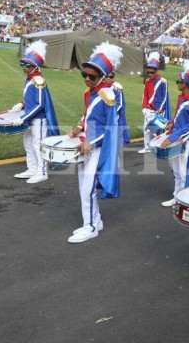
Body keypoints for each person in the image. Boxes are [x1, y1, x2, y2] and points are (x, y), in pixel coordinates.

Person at [67, 42, 123, 243]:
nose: (87, 79)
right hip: (87, 144)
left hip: (97, 148)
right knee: (84, 185)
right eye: (85, 75)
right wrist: (80, 127)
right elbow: (89, 117)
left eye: (92, 76)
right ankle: (94, 221)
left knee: (88, 188)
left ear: (102, 76)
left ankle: (90, 227)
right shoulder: (91, 94)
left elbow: (109, 126)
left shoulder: (108, 95)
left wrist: (92, 142)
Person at [12, 40, 59, 183]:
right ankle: (32, 169)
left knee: (37, 145)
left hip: (38, 119)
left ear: (35, 67)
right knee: (28, 142)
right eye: (23, 64)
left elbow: (40, 104)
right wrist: (21, 104)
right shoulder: (30, 79)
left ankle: (42, 172)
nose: (24, 67)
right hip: (30, 118)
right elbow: (31, 99)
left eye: (28, 65)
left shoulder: (38, 80)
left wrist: (23, 117)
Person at [160, 58, 189, 207]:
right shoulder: (184, 98)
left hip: (184, 141)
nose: (177, 83)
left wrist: (172, 138)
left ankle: (183, 200)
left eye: (178, 81)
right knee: (176, 171)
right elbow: (181, 120)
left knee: (183, 172)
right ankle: (176, 197)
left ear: (184, 84)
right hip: (177, 138)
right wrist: (171, 124)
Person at [139, 52, 170, 154]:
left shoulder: (162, 81)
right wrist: (144, 107)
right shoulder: (147, 81)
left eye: (152, 72)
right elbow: (145, 95)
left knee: (157, 131)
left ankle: (157, 147)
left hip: (158, 110)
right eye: (149, 72)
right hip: (148, 109)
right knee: (146, 129)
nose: (150, 74)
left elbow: (164, 96)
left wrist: (160, 108)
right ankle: (147, 147)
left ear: (156, 71)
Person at [104, 71, 130, 146]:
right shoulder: (102, 86)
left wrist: (112, 112)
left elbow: (120, 103)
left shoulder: (117, 87)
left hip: (116, 111)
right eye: (106, 76)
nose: (108, 78)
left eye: (111, 77)